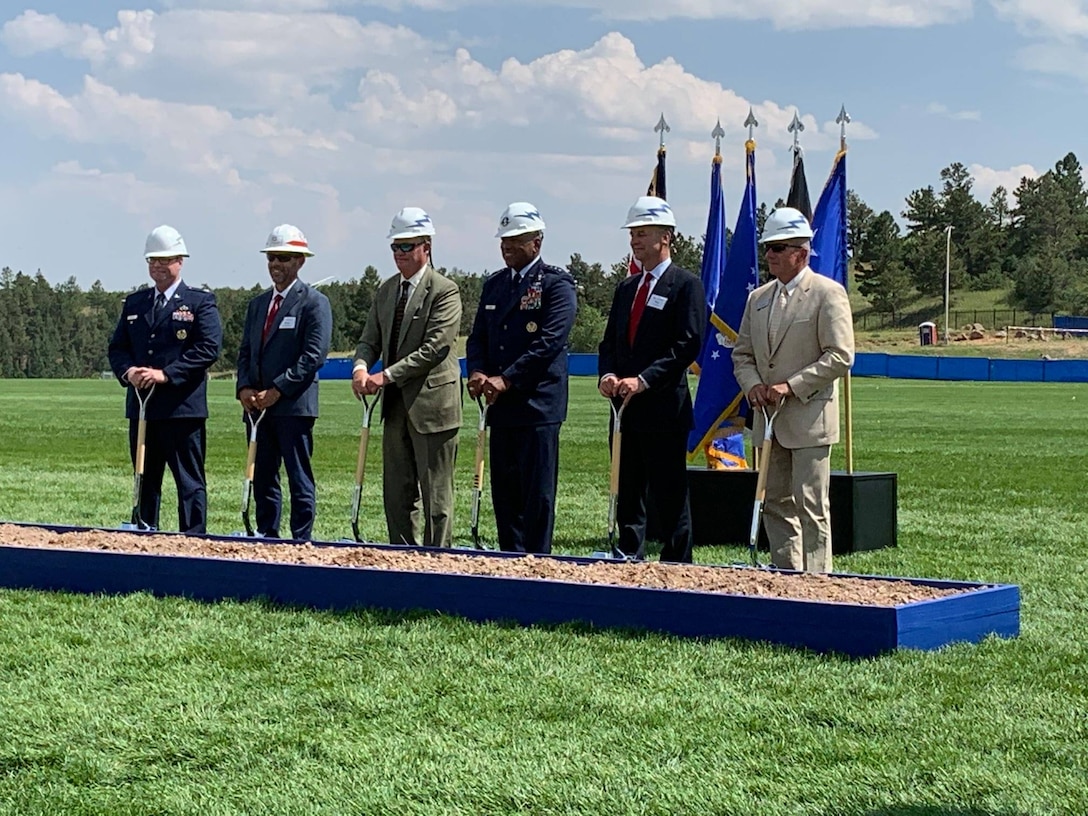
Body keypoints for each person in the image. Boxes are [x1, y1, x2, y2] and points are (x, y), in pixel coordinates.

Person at [732, 207, 854, 573]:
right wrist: (753, 386)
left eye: (779, 247)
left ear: (801, 252)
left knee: (812, 504)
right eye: (768, 247)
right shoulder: (758, 298)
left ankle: (817, 579)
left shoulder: (827, 294)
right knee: (774, 501)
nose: (769, 254)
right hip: (768, 418)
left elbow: (841, 355)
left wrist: (793, 385)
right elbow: (742, 353)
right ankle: (786, 573)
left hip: (809, 417)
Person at [597, 196, 705, 562]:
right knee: (628, 490)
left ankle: (676, 561)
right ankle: (629, 553)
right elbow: (609, 341)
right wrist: (608, 375)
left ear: (666, 237)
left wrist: (643, 380)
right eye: (632, 234)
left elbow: (687, 344)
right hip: (625, 412)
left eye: (642, 233)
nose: (635, 240)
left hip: (664, 410)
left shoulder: (685, 285)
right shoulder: (626, 288)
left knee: (669, 492)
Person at [466, 203, 577, 553]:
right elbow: (478, 337)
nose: (507, 246)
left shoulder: (556, 285)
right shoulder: (495, 285)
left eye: (515, 239)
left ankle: (537, 561)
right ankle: (508, 559)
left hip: (537, 405)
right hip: (500, 407)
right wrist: (479, 372)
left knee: (537, 495)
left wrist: (507, 378)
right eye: (503, 240)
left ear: (537, 242)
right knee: (505, 494)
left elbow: (548, 343)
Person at [352, 207, 462, 547]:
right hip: (396, 407)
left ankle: (436, 562)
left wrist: (384, 376)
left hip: (433, 407)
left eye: (407, 246)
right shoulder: (386, 291)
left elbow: (435, 348)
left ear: (426, 247)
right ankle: (400, 558)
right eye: (395, 247)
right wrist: (359, 366)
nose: (400, 254)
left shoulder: (444, 290)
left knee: (435, 497)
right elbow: (369, 339)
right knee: (396, 494)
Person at [107, 225, 222, 533]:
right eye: (152, 260)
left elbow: (208, 349)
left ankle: (193, 540)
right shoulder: (135, 303)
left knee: (189, 483)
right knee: (145, 478)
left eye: (164, 260)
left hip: (182, 409)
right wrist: (129, 372)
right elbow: (118, 348)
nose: (157, 266)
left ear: (180, 261)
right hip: (143, 408)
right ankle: (145, 534)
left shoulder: (199, 302)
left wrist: (166, 374)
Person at [236, 224, 332, 541]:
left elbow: (313, 356)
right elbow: (246, 352)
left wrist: (278, 389)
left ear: (300, 261)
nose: (277, 264)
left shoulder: (314, 303)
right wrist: (245, 389)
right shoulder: (257, 305)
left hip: (293, 406)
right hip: (258, 409)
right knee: (263, 475)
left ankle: (301, 539)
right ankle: (267, 534)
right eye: (272, 257)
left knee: (298, 476)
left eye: (285, 258)